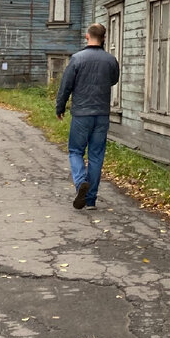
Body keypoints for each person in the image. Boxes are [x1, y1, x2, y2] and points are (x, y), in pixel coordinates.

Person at [55, 23, 119, 209]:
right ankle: (90, 200)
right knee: (96, 155)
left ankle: (81, 181)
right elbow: (113, 80)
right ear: (104, 39)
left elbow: (66, 85)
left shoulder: (77, 59)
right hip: (102, 114)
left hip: (82, 113)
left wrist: (60, 107)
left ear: (86, 36)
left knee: (75, 151)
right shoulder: (110, 60)